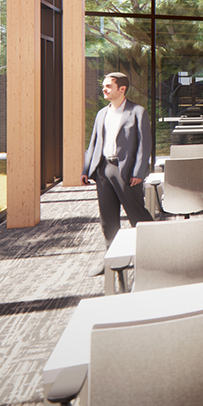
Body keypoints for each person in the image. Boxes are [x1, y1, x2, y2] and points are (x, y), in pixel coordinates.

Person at [81, 72, 154, 276]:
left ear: (122, 89)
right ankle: (112, 259)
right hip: (104, 170)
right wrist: (87, 169)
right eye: (103, 86)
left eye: (108, 86)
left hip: (127, 172)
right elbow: (93, 143)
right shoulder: (101, 114)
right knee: (108, 218)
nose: (103, 89)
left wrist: (139, 171)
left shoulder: (138, 112)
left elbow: (144, 145)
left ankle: (156, 252)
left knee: (137, 214)